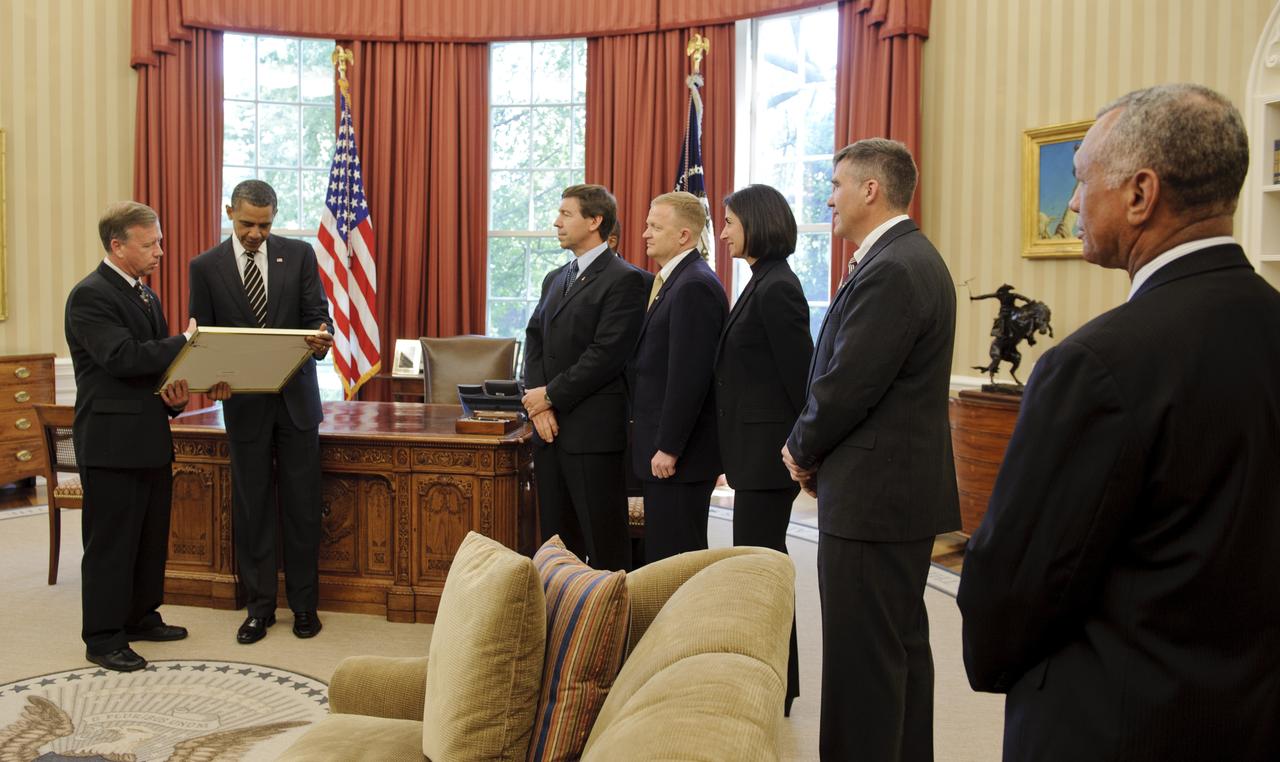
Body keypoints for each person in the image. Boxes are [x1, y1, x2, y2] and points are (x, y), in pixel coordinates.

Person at [958, 84, 1280, 761]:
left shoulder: (1098, 363)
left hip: (1117, 722)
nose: (1073, 202)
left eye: (1080, 179)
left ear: (1140, 194)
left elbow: (1014, 586)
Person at [783, 139, 960, 761]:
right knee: (898, 649)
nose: (826, 198)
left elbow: (848, 382)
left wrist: (801, 447)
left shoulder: (893, 267)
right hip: (894, 491)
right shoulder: (908, 258)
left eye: (834, 185)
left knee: (864, 663)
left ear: (869, 190)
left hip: (874, 493)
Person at [188, 179, 334, 644]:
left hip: (296, 403)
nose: (256, 233)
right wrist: (211, 377)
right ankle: (259, 608)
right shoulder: (205, 267)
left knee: (302, 508)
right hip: (244, 405)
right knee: (252, 509)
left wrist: (321, 334)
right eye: (248, 223)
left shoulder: (299, 255)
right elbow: (203, 335)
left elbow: (317, 313)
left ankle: (305, 607)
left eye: (265, 224)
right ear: (229, 211)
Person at [65, 201, 196, 672]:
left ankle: (140, 616)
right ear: (117, 246)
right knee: (111, 544)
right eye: (151, 243)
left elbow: (153, 371)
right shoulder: (90, 295)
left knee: (148, 537)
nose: (160, 251)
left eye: (159, 241)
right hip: (110, 442)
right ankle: (102, 637)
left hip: (148, 436)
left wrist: (175, 397)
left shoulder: (146, 295)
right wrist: (187, 341)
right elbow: (121, 357)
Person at [713, 183, 813, 715]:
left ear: (756, 223)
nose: (723, 231)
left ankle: (777, 683)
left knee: (762, 571)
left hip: (768, 460)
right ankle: (774, 679)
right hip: (750, 455)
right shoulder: (760, 281)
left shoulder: (778, 288)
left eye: (730, 222)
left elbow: (802, 378)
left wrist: (802, 454)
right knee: (756, 568)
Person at [521, 184, 646, 570]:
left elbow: (606, 355)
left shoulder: (626, 279)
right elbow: (535, 340)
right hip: (549, 432)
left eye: (566, 214)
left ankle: (611, 628)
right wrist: (538, 405)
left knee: (604, 544)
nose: (556, 222)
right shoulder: (555, 278)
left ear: (595, 221)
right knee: (557, 546)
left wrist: (550, 396)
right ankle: (565, 626)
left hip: (592, 435)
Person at [629, 191, 728, 563]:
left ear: (684, 236)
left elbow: (690, 376)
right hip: (665, 450)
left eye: (655, 226)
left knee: (675, 558)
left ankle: (682, 624)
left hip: (677, 456)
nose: (645, 234)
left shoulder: (693, 286)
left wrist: (669, 446)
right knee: (662, 552)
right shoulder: (676, 281)